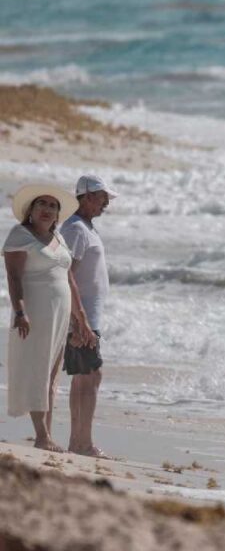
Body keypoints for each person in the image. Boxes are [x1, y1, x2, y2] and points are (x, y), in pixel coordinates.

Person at [3, 183, 96, 452]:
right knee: (37, 371)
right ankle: (41, 436)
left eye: (52, 206)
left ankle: (47, 434)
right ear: (30, 209)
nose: (47, 209)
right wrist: (20, 312)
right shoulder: (19, 235)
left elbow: (69, 279)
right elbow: (13, 277)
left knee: (52, 376)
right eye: (41, 204)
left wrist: (81, 318)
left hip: (60, 313)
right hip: (35, 312)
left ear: (58, 214)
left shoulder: (59, 238)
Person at [60, 175, 118, 458]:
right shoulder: (75, 229)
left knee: (88, 376)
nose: (105, 204)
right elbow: (66, 273)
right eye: (101, 198)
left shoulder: (86, 227)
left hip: (88, 316)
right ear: (85, 196)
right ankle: (81, 443)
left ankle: (79, 441)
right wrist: (78, 320)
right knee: (89, 376)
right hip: (81, 317)